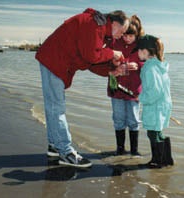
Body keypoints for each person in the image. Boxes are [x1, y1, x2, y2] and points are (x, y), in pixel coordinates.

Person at [35, 8, 129, 168]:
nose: (122, 35)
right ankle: (66, 152)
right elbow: (92, 55)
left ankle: (54, 146)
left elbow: (90, 62)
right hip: (53, 61)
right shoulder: (93, 24)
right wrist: (112, 53)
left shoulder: (99, 30)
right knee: (56, 108)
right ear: (114, 23)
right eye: (122, 31)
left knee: (53, 107)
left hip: (55, 61)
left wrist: (112, 71)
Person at [107, 15, 145, 157]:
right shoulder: (115, 44)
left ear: (136, 35)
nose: (127, 38)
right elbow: (107, 63)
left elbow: (147, 64)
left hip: (134, 91)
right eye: (125, 35)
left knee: (134, 120)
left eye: (131, 36)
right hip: (116, 90)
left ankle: (134, 151)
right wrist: (119, 67)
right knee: (118, 119)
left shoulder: (141, 48)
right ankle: (120, 149)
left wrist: (139, 65)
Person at [136, 34, 174, 168]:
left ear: (145, 51)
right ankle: (166, 160)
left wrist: (141, 98)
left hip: (155, 106)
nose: (137, 53)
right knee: (158, 132)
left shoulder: (149, 68)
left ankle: (157, 161)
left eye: (138, 50)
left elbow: (155, 91)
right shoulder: (160, 65)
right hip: (163, 105)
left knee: (153, 133)